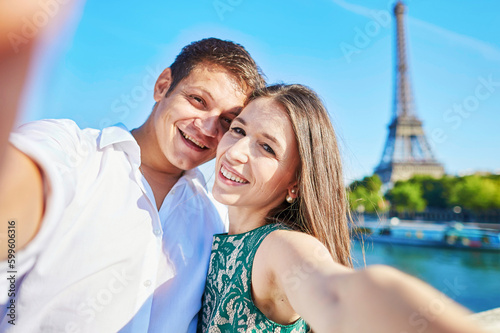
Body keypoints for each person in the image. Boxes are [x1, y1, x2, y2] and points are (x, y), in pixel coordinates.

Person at [0, 4, 265, 330]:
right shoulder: (73, 152)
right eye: (198, 100)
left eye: (227, 121)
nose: (208, 129)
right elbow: (12, 211)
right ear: (162, 86)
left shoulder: (217, 221)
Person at [197, 84, 482, 333]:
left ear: (295, 184)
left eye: (267, 148)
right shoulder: (217, 231)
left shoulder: (278, 246)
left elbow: (336, 297)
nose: (234, 152)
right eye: (238, 130)